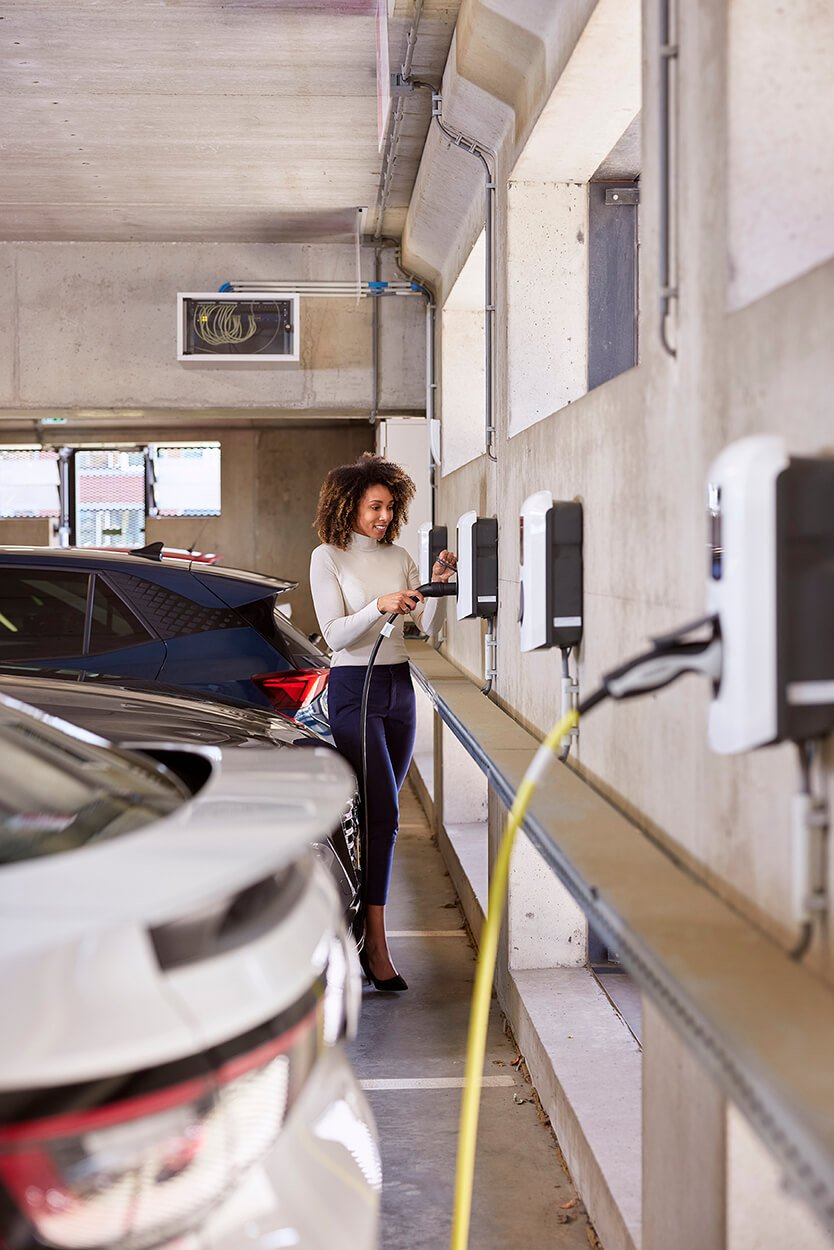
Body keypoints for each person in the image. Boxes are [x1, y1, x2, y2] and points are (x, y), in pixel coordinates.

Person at [310, 453, 457, 992]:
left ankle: (361, 930)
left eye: (389, 507)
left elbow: (423, 629)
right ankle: (376, 942)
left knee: (382, 820)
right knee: (384, 812)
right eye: (374, 506)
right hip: (355, 688)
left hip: (398, 688)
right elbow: (335, 635)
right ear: (349, 505)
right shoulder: (327, 557)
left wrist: (435, 586)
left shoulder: (398, 556)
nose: (382, 516)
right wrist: (378, 604)